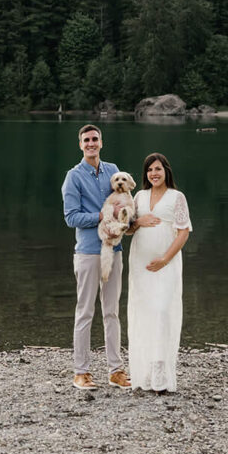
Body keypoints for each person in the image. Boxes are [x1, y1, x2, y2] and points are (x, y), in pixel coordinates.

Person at [61, 123, 160, 390]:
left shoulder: (113, 171)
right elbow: (71, 217)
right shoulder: (73, 177)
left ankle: (115, 370)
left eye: (95, 139)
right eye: (86, 140)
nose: (91, 143)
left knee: (112, 312)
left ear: (101, 143)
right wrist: (102, 216)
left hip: (114, 250)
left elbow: (125, 205)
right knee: (84, 312)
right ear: (80, 145)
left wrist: (134, 223)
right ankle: (81, 372)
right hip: (88, 252)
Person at [126, 151, 192, 393]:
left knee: (163, 312)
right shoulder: (139, 196)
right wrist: (137, 223)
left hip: (166, 263)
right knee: (143, 313)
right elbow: (127, 229)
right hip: (140, 264)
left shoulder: (177, 197)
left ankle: (162, 376)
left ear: (166, 171)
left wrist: (165, 259)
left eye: (158, 169)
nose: (154, 173)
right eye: (150, 170)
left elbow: (183, 231)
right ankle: (143, 375)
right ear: (146, 174)